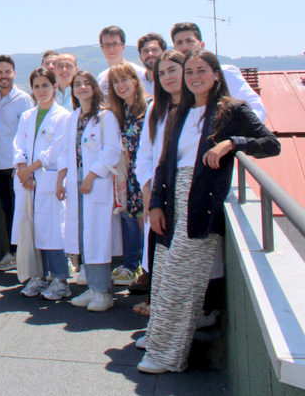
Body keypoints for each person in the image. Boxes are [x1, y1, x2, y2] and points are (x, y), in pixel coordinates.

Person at [140, 50, 279, 374]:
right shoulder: (179, 112)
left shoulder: (231, 110)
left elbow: (270, 144)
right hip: (171, 199)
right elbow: (164, 162)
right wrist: (156, 204)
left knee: (181, 282)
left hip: (201, 201)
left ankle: (167, 357)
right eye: (189, 72)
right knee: (164, 278)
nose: (194, 77)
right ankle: (157, 345)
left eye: (201, 70)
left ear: (217, 75)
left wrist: (231, 143)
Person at [46, 71, 122, 312]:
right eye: (77, 84)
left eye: (86, 83)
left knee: (96, 236)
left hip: (96, 183)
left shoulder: (106, 117)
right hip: (75, 182)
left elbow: (112, 150)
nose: (82, 87)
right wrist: (61, 178)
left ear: (95, 88)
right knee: (82, 236)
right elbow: (65, 150)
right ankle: (92, 287)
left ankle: (103, 292)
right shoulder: (73, 117)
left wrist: (91, 176)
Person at [132, 50, 186, 322]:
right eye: (161, 73)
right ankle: (158, 306)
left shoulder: (196, 107)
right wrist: (147, 192)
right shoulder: (156, 108)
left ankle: (172, 314)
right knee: (158, 250)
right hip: (156, 194)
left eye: (172, 70)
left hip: (183, 193)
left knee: (180, 256)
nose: (167, 77)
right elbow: (144, 154)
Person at [14, 68, 71, 300]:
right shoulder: (27, 116)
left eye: (45, 85)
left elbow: (55, 149)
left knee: (53, 230)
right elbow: (18, 144)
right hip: (27, 181)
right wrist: (22, 170)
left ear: (55, 86)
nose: (41, 90)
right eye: (36, 86)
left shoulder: (63, 116)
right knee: (32, 230)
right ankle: (37, 276)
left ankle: (60, 279)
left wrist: (30, 169)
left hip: (47, 179)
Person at [107, 62, 151, 288]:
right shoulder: (120, 111)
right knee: (131, 219)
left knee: (147, 222)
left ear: (135, 80)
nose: (120, 85)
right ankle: (134, 266)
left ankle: (148, 272)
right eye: (115, 82)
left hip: (148, 175)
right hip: (129, 175)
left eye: (125, 79)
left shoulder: (151, 107)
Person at [0, 55, 34, 271]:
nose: (4, 76)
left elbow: (27, 134)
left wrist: (23, 165)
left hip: (15, 166)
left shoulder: (23, 99)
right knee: (7, 210)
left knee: (20, 211)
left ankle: (22, 255)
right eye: (0, 72)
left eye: (7, 72)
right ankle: (12, 252)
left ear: (14, 73)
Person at [170, 22, 266, 123]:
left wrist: (239, 130)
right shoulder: (172, 81)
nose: (185, 47)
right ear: (174, 49)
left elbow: (255, 107)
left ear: (202, 45)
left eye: (190, 41)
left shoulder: (225, 73)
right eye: (179, 43)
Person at [97, 26, 150, 97]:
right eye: (107, 45)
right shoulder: (101, 78)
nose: (111, 48)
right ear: (102, 48)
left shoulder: (138, 72)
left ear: (123, 46)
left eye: (115, 44)